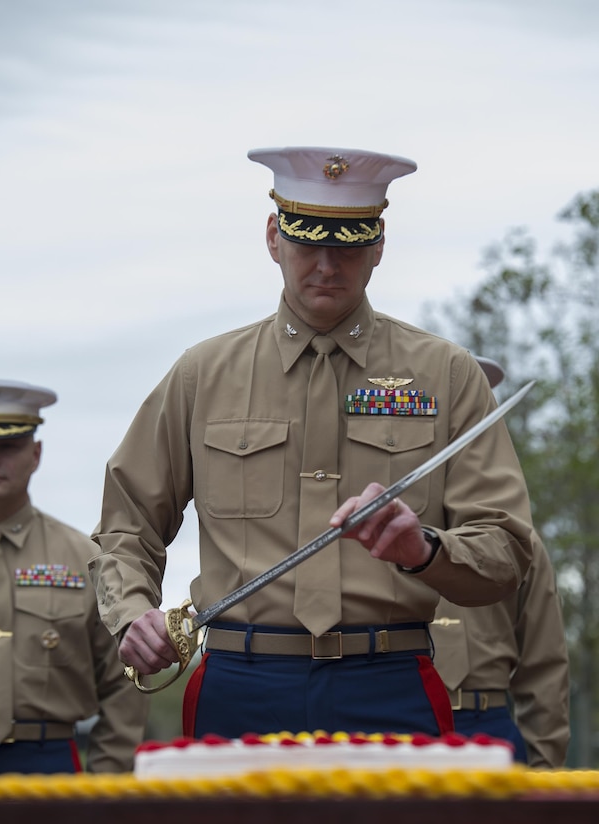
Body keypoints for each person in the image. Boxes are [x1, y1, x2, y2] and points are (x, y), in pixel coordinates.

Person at [89, 146, 533, 740]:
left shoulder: (447, 376)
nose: (326, 265)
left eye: (348, 244)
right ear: (273, 237)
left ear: (378, 246)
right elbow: (127, 522)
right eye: (307, 241)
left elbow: (505, 549)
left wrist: (422, 548)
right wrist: (129, 615)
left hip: (391, 683)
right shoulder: (203, 375)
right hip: (240, 687)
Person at [0, 381, 148, 774]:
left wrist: (105, 786)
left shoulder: (86, 559)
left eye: (8, 447)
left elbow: (123, 680)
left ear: (35, 453)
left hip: (45, 766)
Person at [430, 356, 570, 767]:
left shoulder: (518, 541)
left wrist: (545, 775)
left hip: (486, 729)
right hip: (390, 725)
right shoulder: (370, 530)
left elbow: (544, 667)